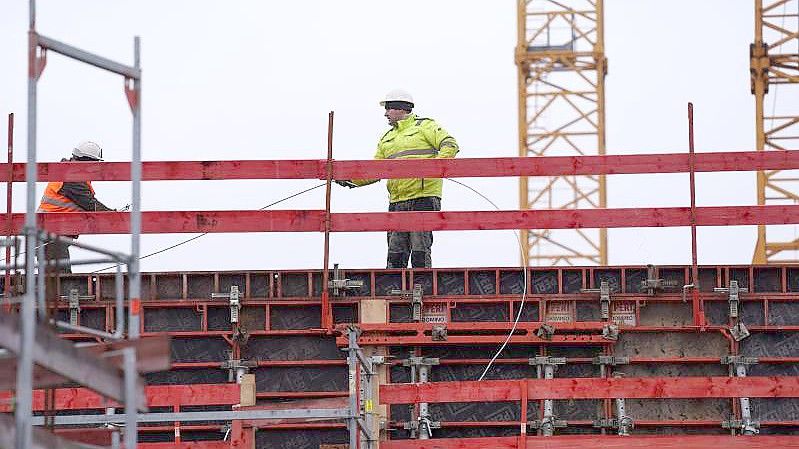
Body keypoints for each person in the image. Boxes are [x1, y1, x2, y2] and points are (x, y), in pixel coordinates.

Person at [336, 89, 459, 268]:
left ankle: (421, 286)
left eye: (388, 109)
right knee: (395, 253)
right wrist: (349, 179)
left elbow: (450, 145)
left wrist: (435, 168)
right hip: (397, 200)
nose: (385, 114)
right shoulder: (387, 138)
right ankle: (394, 288)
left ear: (400, 109)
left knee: (420, 250)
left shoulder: (425, 127)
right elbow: (375, 170)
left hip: (423, 197)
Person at [37, 141, 113, 273]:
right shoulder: (71, 178)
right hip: (49, 233)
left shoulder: (70, 174)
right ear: (86, 161)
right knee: (60, 278)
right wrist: (114, 216)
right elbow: (90, 205)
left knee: (56, 277)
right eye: (94, 164)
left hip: (50, 233)